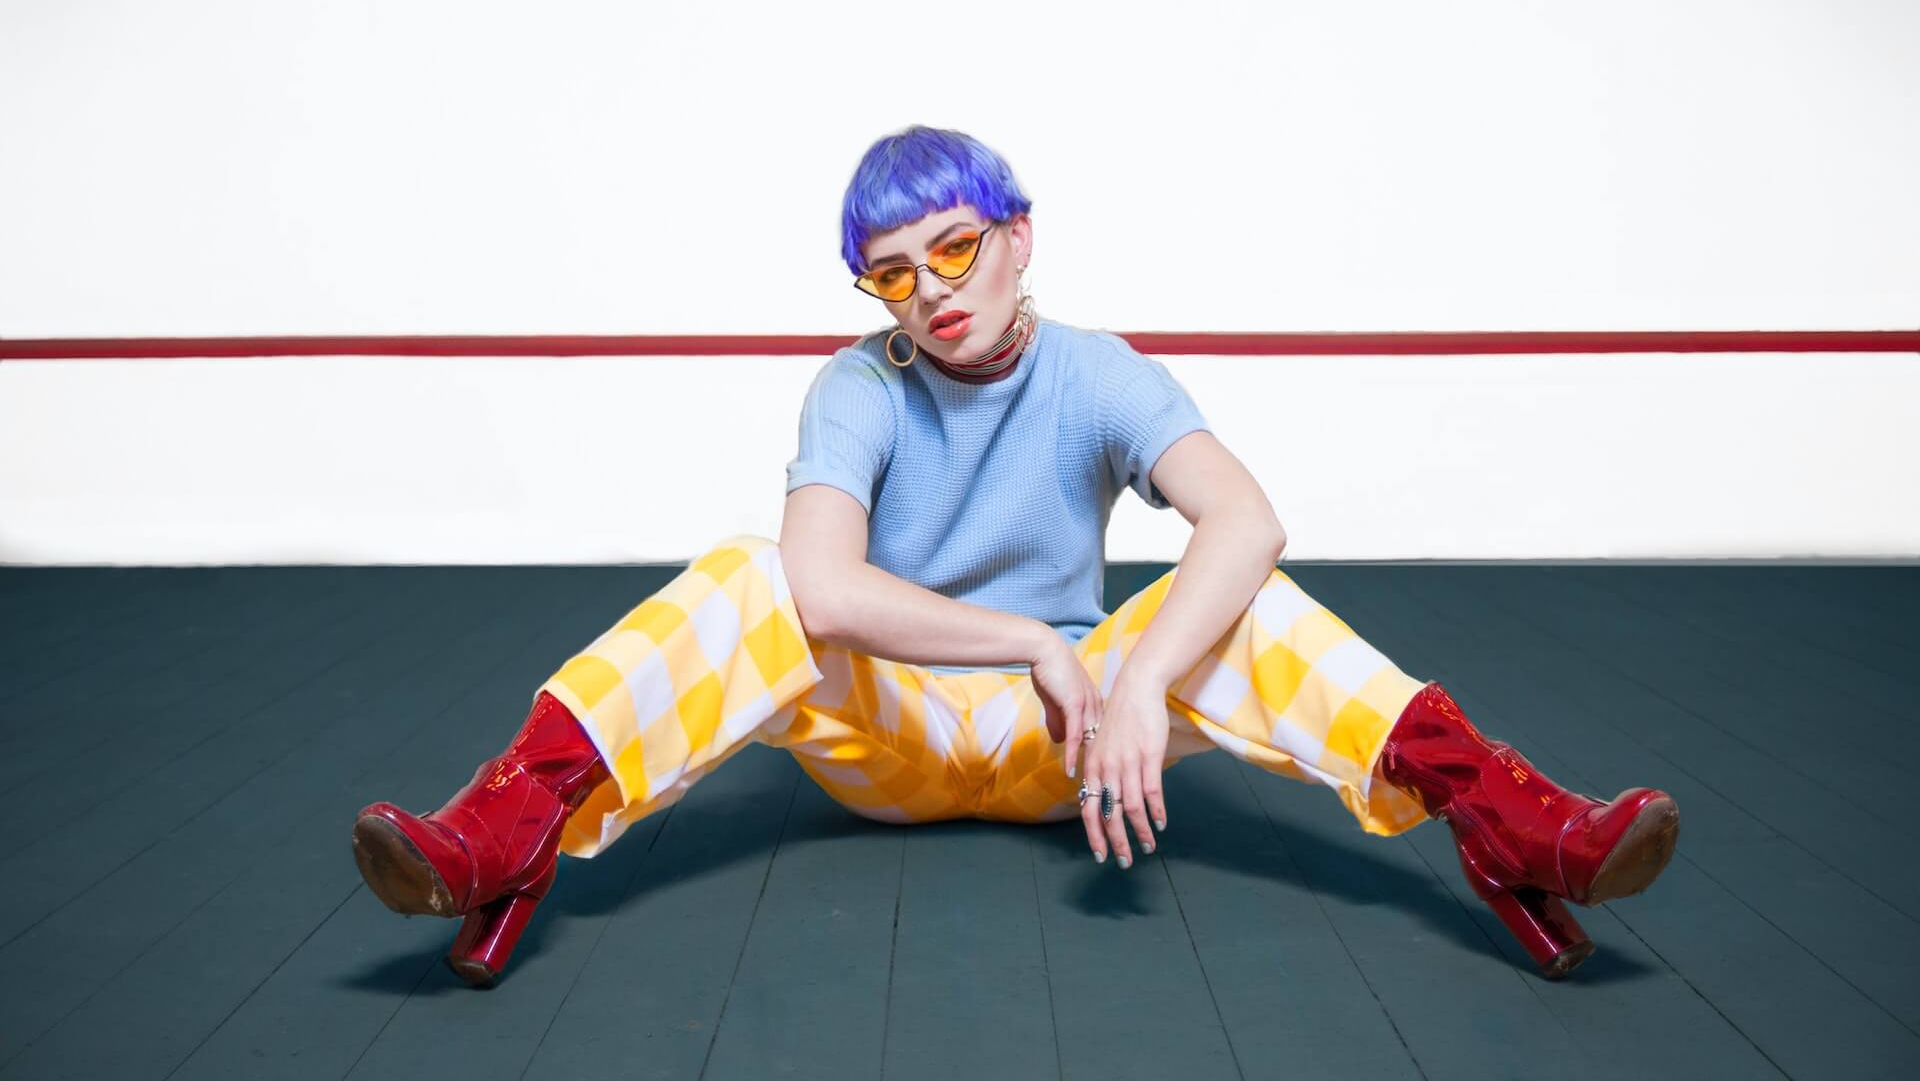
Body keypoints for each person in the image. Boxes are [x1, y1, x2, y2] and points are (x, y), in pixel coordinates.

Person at [351, 124, 1679, 987]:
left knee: (1245, 600)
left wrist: (1138, 674)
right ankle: (503, 830)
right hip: (892, 735)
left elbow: (1246, 519)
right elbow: (821, 591)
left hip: (1072, 742)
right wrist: (1032, 638)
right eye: (893, 272)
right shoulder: (859, 386)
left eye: (954, 248)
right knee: (751, 570)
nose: (932, 288)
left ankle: (1514, 825)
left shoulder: (1097, 373)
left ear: (1018, 236)